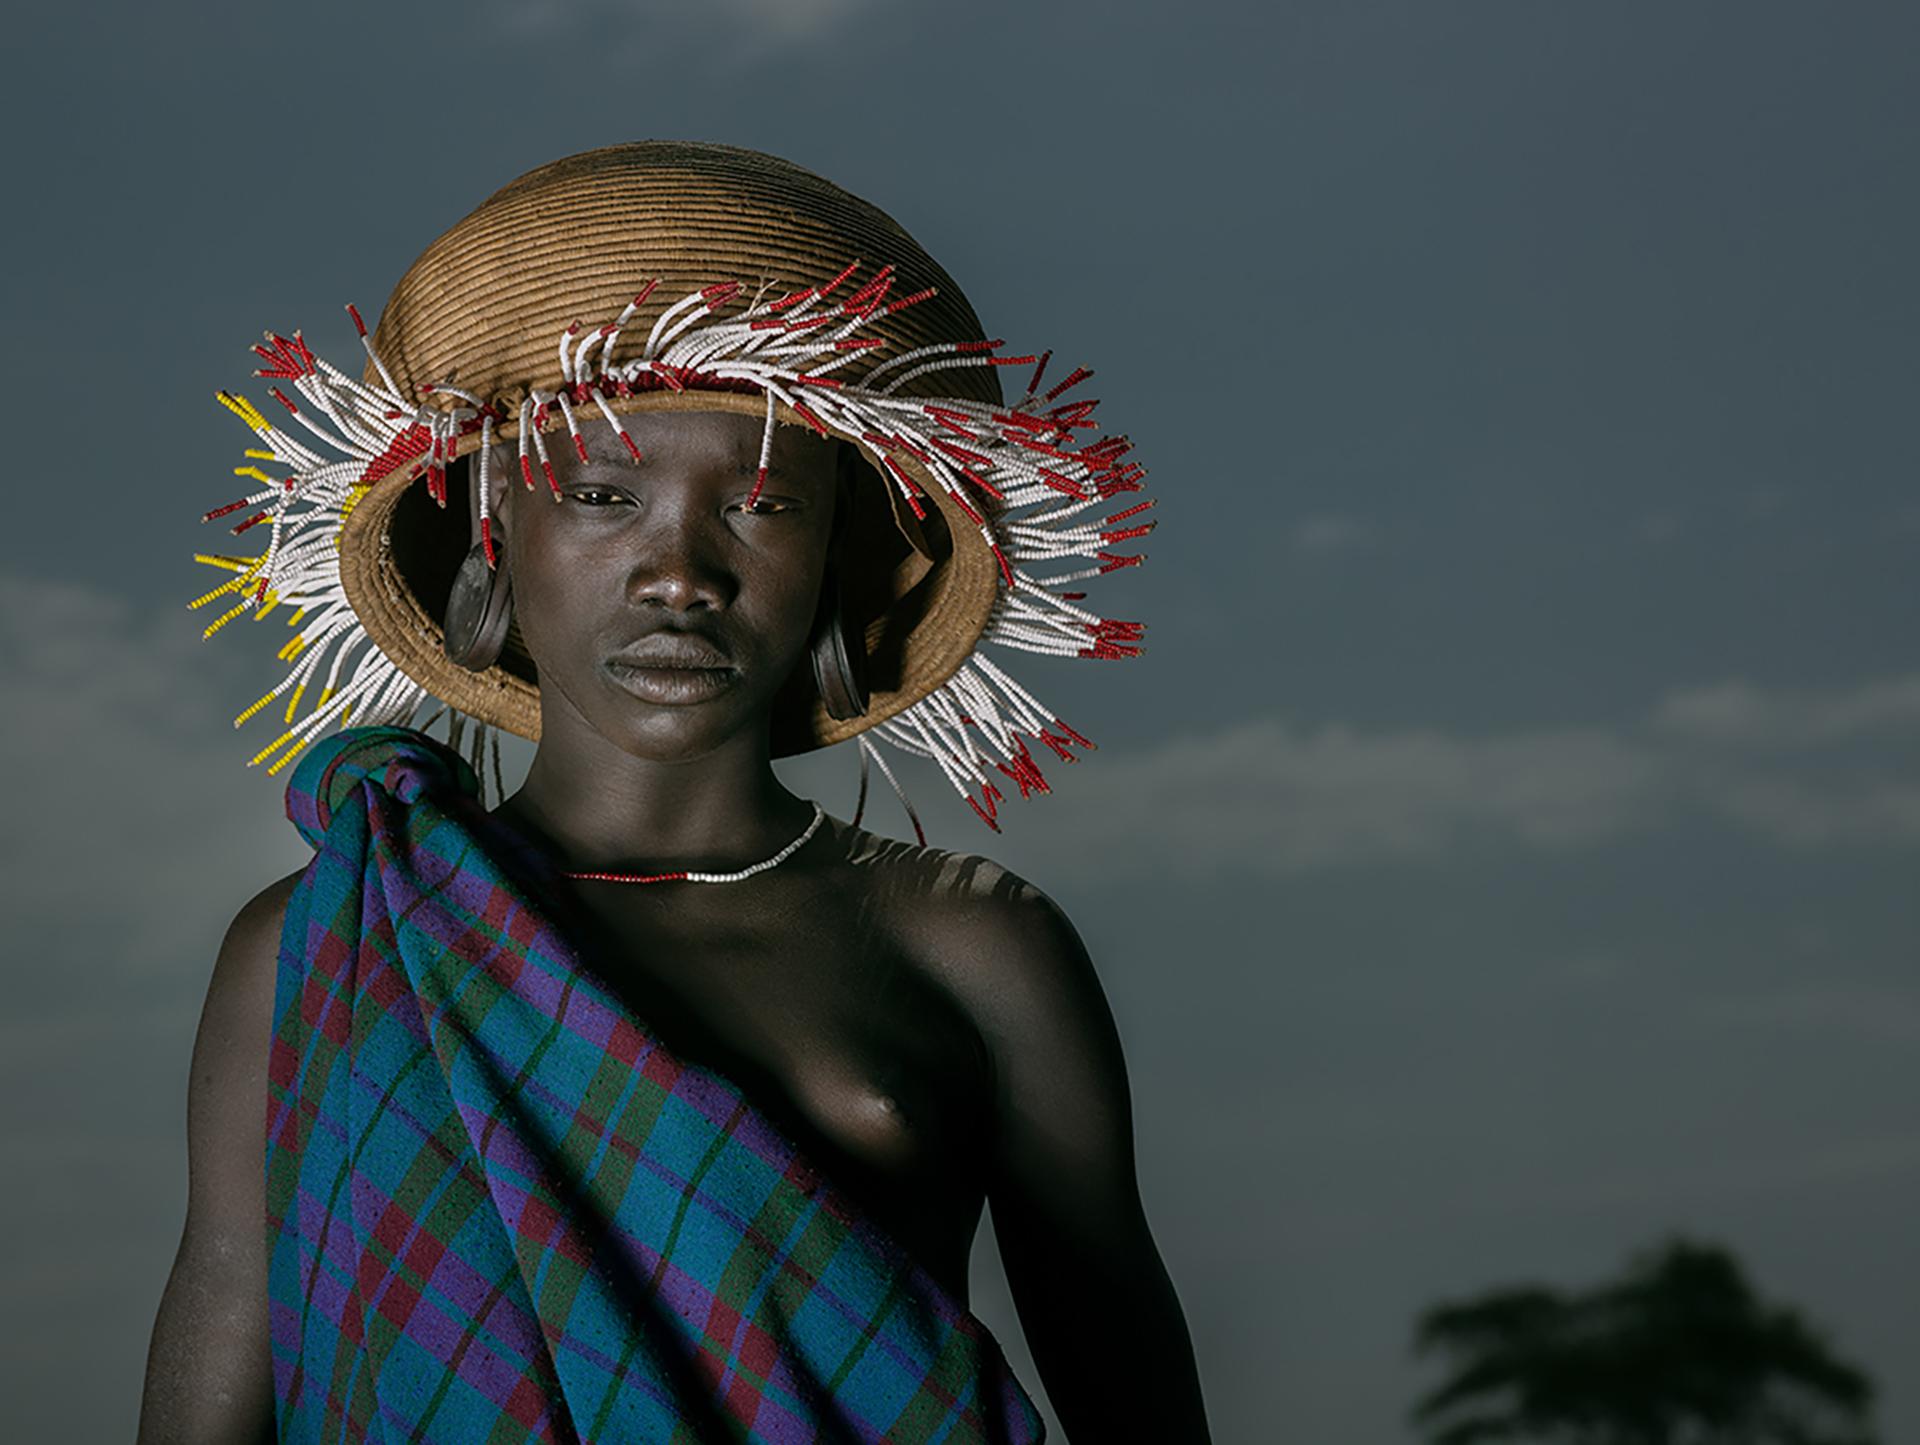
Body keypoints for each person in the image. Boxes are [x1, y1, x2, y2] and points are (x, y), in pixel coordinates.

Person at [138, 142, 1210, 1442]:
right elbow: (232, 1333)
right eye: (603, 494)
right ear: (494, 527)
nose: (680, 571)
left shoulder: (979, 946)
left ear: (838, 552)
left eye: (762, 507)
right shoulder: (329, 942)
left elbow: (1131, 1388)